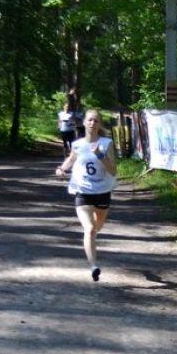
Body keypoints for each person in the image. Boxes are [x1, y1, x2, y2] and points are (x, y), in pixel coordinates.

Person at [55, 109, 117, 282]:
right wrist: (61, 168)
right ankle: (93, 266)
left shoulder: (106, 143)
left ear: (99, 124)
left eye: (96, 121)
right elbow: (71, 159)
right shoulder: (77, 144)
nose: (92, 123)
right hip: (83, 191)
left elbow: (113, 171)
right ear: (84, 123)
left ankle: (92, 243)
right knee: (89, 229)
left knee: (97, 227)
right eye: (89, 120)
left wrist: (100, 155)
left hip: (102, 191)